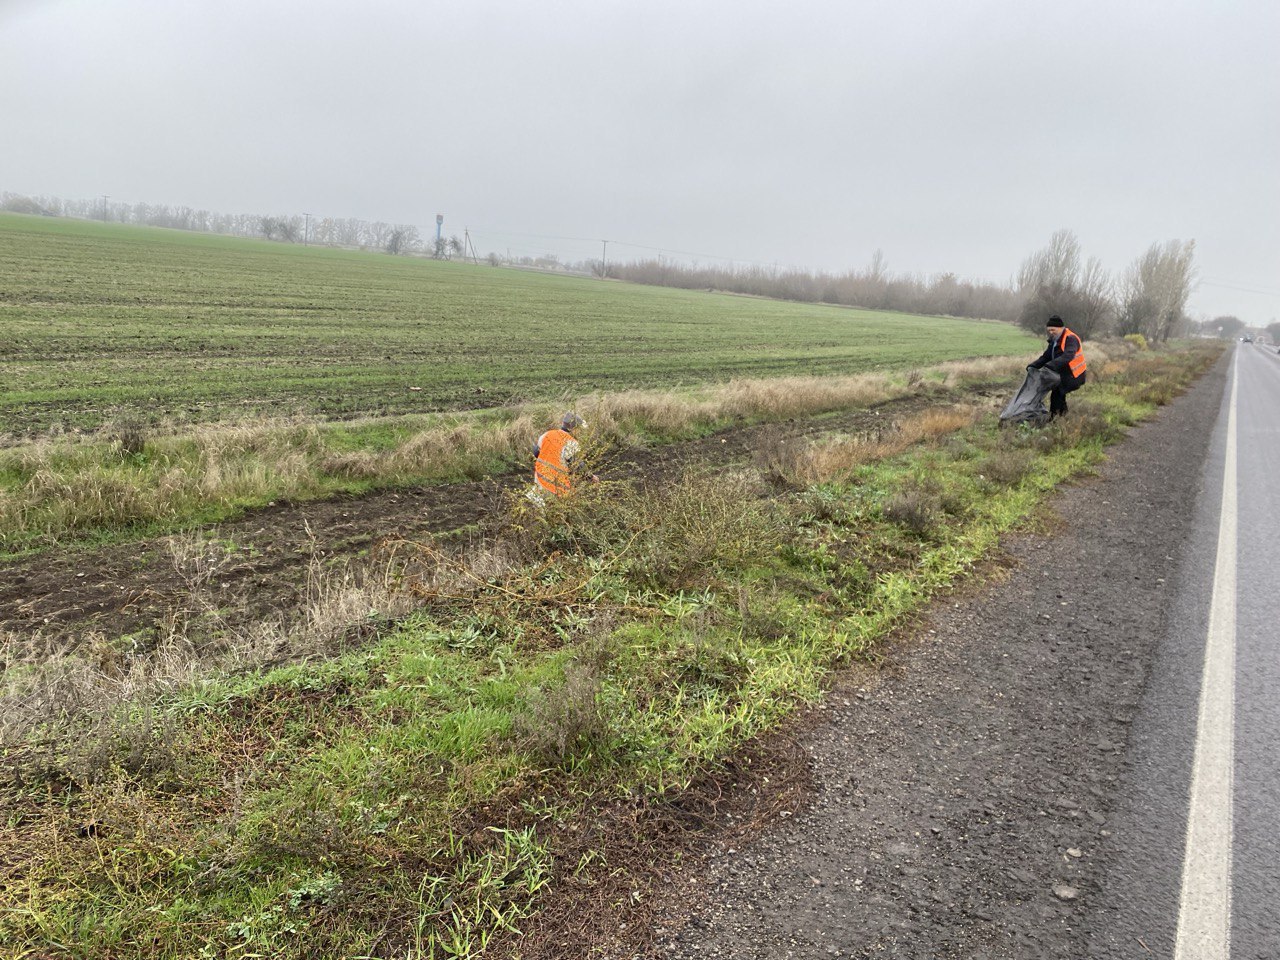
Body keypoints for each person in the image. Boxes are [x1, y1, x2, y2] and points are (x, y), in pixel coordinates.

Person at [1028, 315, 1087, 419]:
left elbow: (1068, 356)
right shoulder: (1054, 341)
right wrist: (1033, 366)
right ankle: (1062, 417)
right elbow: (1046, 357)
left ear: (1060, 328)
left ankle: (1054, 419)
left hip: (1075, 374)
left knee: (1057, 393)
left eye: (1053, 330)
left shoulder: (1070, 338)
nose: (1050, 332)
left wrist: (1050, 366)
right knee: (1059, 393)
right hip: (1065, 373)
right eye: (1049, 330)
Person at [531, 411, 596, 500]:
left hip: (539, 479)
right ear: (574, 429)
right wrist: (591, 477)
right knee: (559, 511)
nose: (580, 433)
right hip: (556, 486)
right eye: (579, 429)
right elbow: (578, 465)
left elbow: (536, 453)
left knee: (540, 511)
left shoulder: (546, 435)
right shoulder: (571, 442)